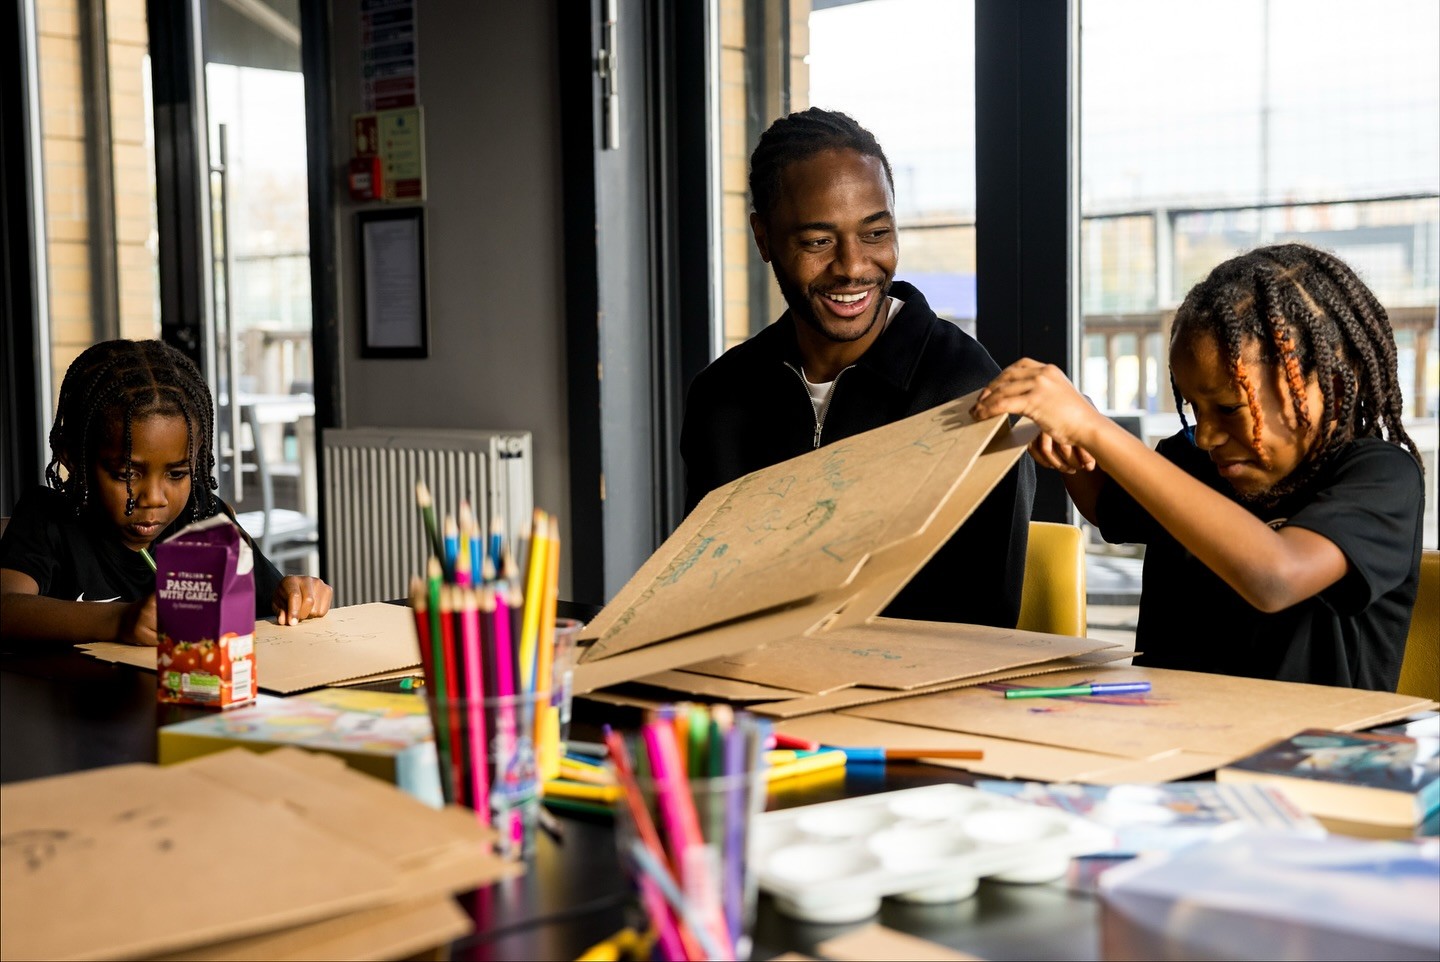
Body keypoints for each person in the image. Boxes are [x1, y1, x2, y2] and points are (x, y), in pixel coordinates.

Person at [972, 244, 1424, 691]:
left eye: (1229, 408)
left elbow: (1277, 577)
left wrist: (1095, 430)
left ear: (1333, 388)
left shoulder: (1380, 477)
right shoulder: (1195, 459)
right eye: (1195, 408)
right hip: (1176, 742)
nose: (1207, 436)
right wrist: (1071, 446)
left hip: (1309, 755)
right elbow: (1106, 506)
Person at [681, 108, 1035, 628]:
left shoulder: (968, 392)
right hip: (751, 692)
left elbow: (983, 622)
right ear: (764, 238)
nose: (852, 266)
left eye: (875, 233)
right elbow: (698, 597)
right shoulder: (722, 396)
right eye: (818, 241)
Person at [1, 339, 333, 647]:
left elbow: (268, 597)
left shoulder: (201, 519)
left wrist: (292, 593)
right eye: (126, 475)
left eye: (177, 474)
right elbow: (6, 608)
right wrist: (120, 620)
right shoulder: (46, 521)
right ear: (72, 458)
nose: (155, 498)